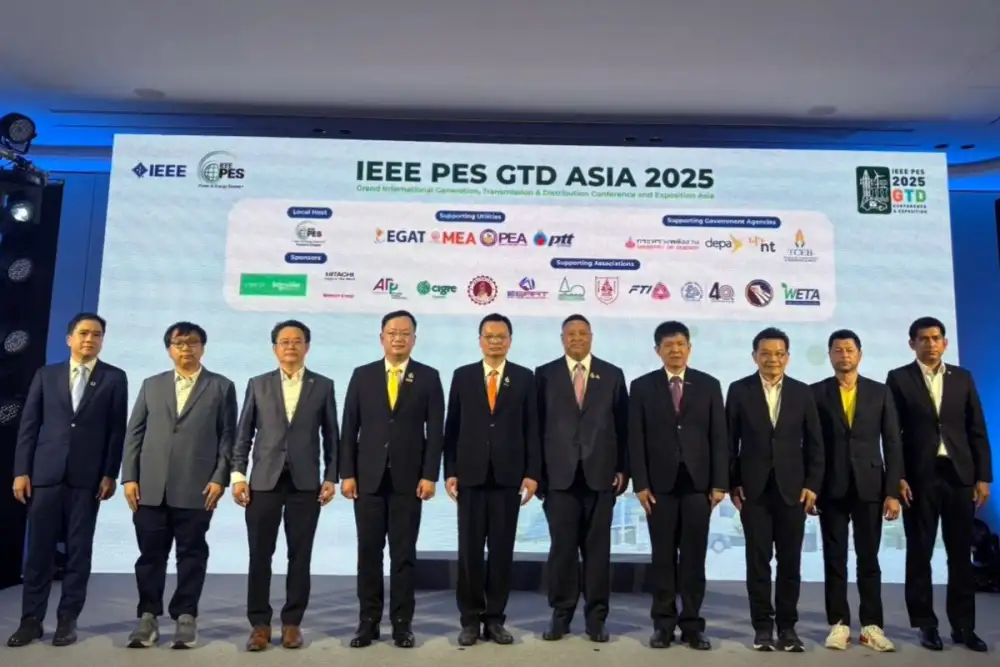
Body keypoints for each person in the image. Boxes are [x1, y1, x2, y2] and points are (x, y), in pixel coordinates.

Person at [8, 313, 128, 648]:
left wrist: (110, 473)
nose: (90, 339)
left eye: (97, 334)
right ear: (69, 338)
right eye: (84, 333)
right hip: (45, 475)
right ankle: (31, 621)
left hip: (87, 479)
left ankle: (67, 620)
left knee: (78, 553)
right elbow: (29, 426)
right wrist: (21, 471)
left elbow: (116, 430)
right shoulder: (46, 375)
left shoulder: (114, 377)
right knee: (39, 553)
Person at [121, 322, 237, 649]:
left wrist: (220, 478)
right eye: (179, 343)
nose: (186, 348)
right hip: (150, 487)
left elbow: (228, 437)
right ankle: (147, 617)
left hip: (197, 487)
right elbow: (134, 434)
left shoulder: (221, 386)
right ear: (169, 349)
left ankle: (186, 616)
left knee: (192, 554)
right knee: (150, 556)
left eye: (193, 342)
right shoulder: (152, 385)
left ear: (203, 347)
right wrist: (129, 477)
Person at [232, 320, 340, 651]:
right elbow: (243, 434)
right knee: (259, 555)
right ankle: (260, 625)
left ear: (307, 346)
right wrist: (238, 475)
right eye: (284, 341)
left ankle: (292, 623)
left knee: (300, 555)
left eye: (297, 341)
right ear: (274, 348)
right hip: (264, 482)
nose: (290, 346)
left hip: (306, 484)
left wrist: (331, 476)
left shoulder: (323, 385)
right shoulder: (258, 384)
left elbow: (331, 437)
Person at [340, 310, 444, 649]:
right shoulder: (363, 375)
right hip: (367, 480)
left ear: (414, 338)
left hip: (408, 481)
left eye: (405, 333)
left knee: (403, 556)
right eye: (392, 332)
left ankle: (402, 624)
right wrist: (347, 473)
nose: (398, 338)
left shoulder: (428, 377)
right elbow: (349, 428)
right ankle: (367, 623)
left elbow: (436, 432)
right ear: (381, 337)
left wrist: (429, 475)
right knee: (368, 554)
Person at [886, 316, 991, 652]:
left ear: (945, 342)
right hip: (919, 478)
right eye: (923, 339)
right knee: (920, 553)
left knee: (960, 555)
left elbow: (977, 428)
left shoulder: (963, 377)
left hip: (960, 476)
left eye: (935, 338)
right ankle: (925, 624)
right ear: (912, 344)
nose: (930, 344)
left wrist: (983, 476)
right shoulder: (898, 378)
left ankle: (963, 627)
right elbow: (893, 435)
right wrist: (897, 476)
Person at [629, 320, 728, 650]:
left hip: (698, 485)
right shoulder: (642, 387)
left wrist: (720, 483)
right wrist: (640, 483)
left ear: (689, 348)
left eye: (680, 344)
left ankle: (692, 625)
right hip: (659, 486)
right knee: (662, 558)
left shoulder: (709, 384)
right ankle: (663, 624)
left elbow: (719, 437)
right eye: (668, 345)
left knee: (694, 558)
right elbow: (636, 439)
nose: (675, 350)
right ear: (657, 350)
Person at [444, 313, 540, 646]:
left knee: (501, 552)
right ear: (480, 340)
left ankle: (495, 619)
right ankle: (470, 620)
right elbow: (452, 427)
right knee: (469, 552)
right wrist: (450, 470)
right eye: (489, 336)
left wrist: (532, 473)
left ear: (510, 341)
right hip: (470, 476)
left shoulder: (525, 377)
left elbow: (532, 429)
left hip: (507, 477)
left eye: (501, 336)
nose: (495, 341)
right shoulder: (463, 375)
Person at [726, 327, 823, 652]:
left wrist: (812, 484)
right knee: (758, 563)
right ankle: (762, 628)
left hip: (793, 491)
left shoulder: (802, 392)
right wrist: (732, 483)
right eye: (765, 353)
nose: (772, 359)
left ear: (788, 357)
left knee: (790, 563)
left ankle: (788, 627)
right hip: (753, 490)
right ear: (754, 356)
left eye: (779, 354)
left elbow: (815, 444)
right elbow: (729, 443)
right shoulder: (739, 390)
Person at [535, 314, 628, 643]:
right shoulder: (544, 374)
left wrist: (623, 468)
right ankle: (560, 615)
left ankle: (596, 618)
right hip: (558, 478)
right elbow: (535, 428)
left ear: (591, 337)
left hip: (600, 476)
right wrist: (537, 475)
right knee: (562, 550)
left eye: (582, 333)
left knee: (597, 552)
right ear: (562, 338)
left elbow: (623, 426)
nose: (577, 338)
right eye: (570, 334)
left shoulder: (612, 374)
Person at [811, 329, 902, 651]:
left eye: (849, 350)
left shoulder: (880, 392)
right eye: (837, 350)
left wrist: (892, 491)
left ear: (860, 354)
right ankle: (838, 624)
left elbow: (892, 442)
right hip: (831, 487)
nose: (844, 355)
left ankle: (871, 626)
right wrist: (812, 487)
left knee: (869, 559)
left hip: (870, 485)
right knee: (834, 558)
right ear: (830, 355)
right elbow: (811, 444)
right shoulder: (815, 392)